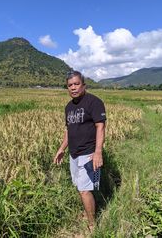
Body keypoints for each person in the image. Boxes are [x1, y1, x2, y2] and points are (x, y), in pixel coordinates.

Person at [53, 70, 106, 230]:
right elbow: (69, 130)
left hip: (89, 153)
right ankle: (87, 212)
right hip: (74, 154)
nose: (73, 88)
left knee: (84, 190)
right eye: (70, 85)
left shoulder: (94, 102)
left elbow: (100, 127)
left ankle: (92, 224)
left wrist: (98, 152)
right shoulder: (68, 107)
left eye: (76, 84)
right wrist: (62, 149)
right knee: (80, 187)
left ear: (84, 85)